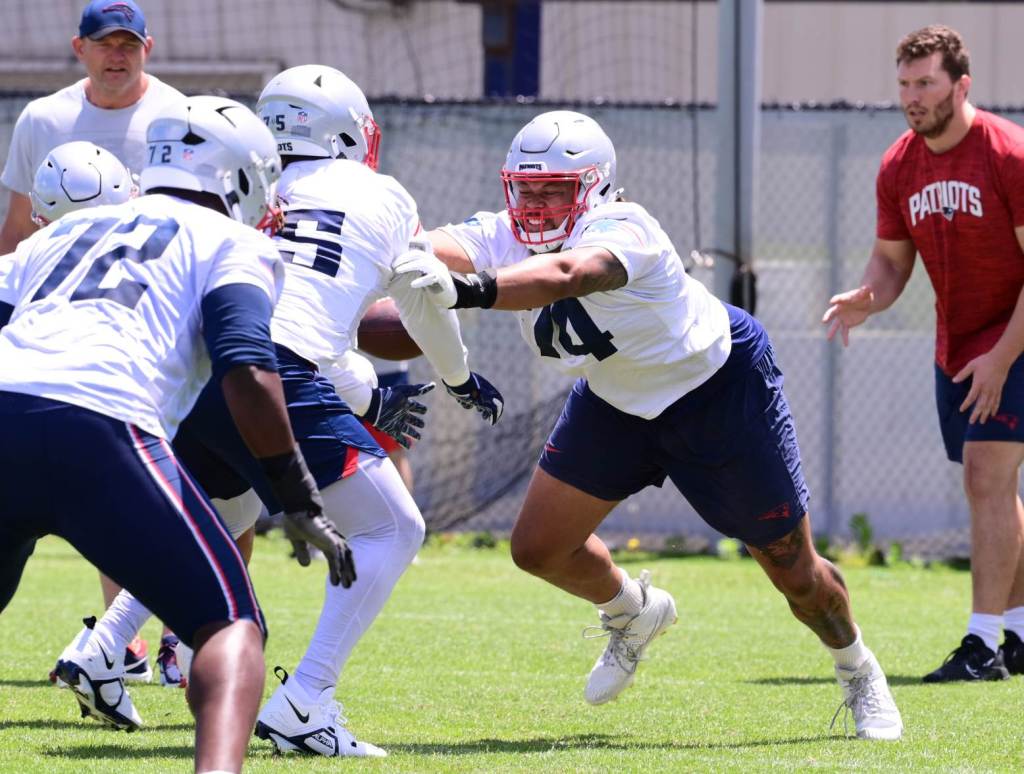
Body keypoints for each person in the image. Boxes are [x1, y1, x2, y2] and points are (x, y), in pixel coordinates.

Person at [399, 110, 903, 740]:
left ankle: (857, 667)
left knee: (792, 569)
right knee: (538, 548)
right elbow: (421, 244)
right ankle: (633, 612)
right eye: (525, 188)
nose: (534, 204)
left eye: (554, 188)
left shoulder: (624, 225)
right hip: (615, 400)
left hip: (713, 391)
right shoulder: (505, 233)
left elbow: (568, 275)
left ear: (594, 185)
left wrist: (469, 290)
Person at [68, 64, 504, 758]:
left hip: (195, 368)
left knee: (225, 510)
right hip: (273, 368)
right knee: (394, 528)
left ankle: (101, 648)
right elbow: (422, 292)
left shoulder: (251, 182)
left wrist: (359, 392)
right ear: (350, 132)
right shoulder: (378, 191)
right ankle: (308, 700)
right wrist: (456, 378)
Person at [0, 95, 354, 774]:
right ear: (246, 178)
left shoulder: (55, 235)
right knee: (228, 625)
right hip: (99, 422)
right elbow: (248, 369)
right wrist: (299, 497)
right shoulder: (233, 241)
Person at [823, 25, 1024, 683]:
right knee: (995, 484)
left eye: (926, 83)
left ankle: (983, 645)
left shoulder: (1007, 154)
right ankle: (1018, 633)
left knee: (985, 478)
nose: (912, 97)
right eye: (905, 84)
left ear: (961, 84)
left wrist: (1000, 358)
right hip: (957, 346)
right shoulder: (899, 164)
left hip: (1015, 337)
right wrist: (867, 299)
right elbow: (890, 261)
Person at [0, 0, 183, 253]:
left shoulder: (178, 118)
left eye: (129, 45)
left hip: (153, 282)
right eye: (104, 44)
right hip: (59, 283)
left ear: (147, 48)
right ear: (79, 47)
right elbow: (19, 230)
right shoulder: (42, 119)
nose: (117, 56)